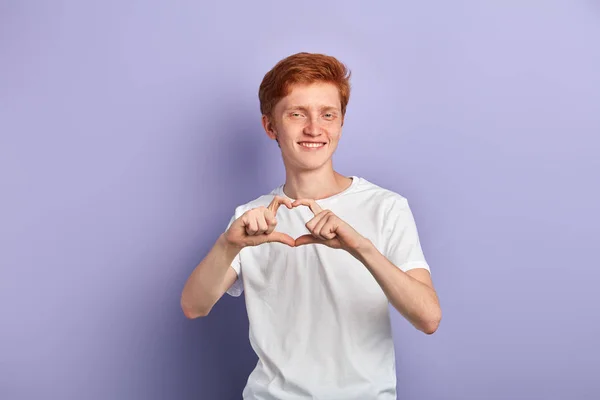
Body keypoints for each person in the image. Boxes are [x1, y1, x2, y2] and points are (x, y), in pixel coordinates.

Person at [180, 52, 442, 399]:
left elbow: (428, 319)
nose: (314, 128)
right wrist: (229, 245)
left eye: (327, 114)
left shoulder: (386, 207)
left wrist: (361, 247)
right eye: (297, 113)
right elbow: (193, 306)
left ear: (341, 122)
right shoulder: (251, 218)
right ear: (270, 125)